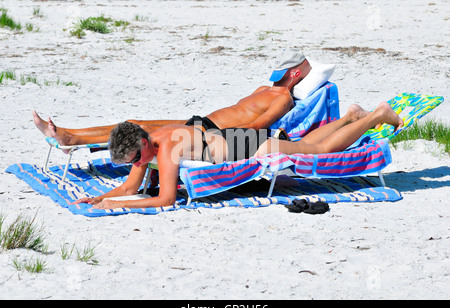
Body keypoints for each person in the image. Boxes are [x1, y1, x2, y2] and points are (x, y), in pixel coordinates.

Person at [72, 101, 403, 210]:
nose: (136, 167)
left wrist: (116, 204)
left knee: (318, 151)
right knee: (300, 142)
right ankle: (348, 117)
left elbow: (167, 199)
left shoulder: (167, 146)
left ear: (143, 145)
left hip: (253, 146)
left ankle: (375, 115)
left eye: (134, 160)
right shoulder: (148, 145)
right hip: (237, 139)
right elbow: (131, 188)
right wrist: (99, 197)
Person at [33, 48, 312, 147]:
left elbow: (257, 127)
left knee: (139, 131)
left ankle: (71, 140)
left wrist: (217, 142)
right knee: (134, 121)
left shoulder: (284, 98)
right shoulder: (265, 89)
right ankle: (69, 133)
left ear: (295, 73)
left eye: (283, 72)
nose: (276, 76)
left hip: (213, 133)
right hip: (202, 121)